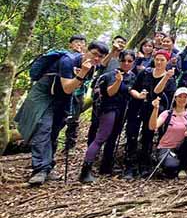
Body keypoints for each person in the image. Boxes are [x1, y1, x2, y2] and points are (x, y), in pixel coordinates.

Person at [16, 41, 109, 185]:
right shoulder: (68, 61)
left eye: (100, 57)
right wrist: (82, 73)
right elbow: (67, 87)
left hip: (62, 99)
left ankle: (47, 167)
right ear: (86, 51)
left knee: (54, 132)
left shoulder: (91, 68)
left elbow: (75, 89)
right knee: (42, 128)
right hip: (43, 94)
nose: (96, 59)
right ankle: (40, 169)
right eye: (94, 54)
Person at [79, 49, 137, 182]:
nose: (126, 63)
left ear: (133, 62)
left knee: (112, 138)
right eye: (123, 61)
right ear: (119, 61)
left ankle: (106, 166)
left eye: (129, 61)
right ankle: (85, 170)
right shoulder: (112, 74)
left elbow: (130, 91)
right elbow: (110, 93)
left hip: (121, 110)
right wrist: (118, 81)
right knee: (101, 138)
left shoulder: (132, 76)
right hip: (109, 109)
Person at [127, 49, 177, 177]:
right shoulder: (145, 73)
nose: (159, 62)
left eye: (162, 60)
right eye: (157, 59)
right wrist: (138, 95)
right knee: (132, 135)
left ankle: (144, 165)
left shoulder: (170, 79)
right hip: (137, 107)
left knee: (147, 136)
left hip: (154, 110)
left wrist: (166, 77)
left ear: (167, 62)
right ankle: (129, 166)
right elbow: (133, 88)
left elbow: (157, 92)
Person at [149, 87, 187, 179]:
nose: (182, 99)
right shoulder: (167, 113)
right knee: (171, 166)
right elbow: (152, 126)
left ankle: (182, 168)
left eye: (185, 97)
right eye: (180, 97)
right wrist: (155, 109)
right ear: (175, 98)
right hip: (166, 147)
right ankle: (179, 166)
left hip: (181, 148)